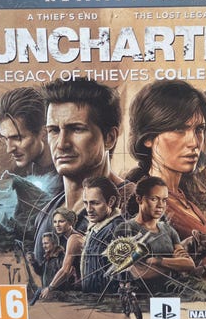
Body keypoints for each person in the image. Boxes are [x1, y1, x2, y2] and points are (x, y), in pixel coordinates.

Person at [127, 79, 206, 274]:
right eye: (179, 129)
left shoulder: (183, 198)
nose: (194, 143)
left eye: (199, 129)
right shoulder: (143, 204)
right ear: (148, 138)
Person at [33, 78, 134, 263]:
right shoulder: (46, 213)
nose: (61, 144)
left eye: (77, 129)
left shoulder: (135, 204)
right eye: (54, 130)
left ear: (109, 138)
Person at [113, 177, 194, 292]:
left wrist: (157, 260)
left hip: (169, 293)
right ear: (139, 199)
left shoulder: (168, 230)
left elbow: (189, 264)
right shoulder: (126, 229)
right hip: (141, 295)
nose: (161, 205)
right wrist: (174, 263)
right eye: (154, 199)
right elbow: (138, 272)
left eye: (164, 200)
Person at [0, 87, 58, 178]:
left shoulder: (67, 173)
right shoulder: (17, 175)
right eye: (5, 139)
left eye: (17, 138)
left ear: (43, 133)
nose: (9, 149)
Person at [79, 177, 125, 294]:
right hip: (92, 298)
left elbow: (124, 272)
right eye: (85, 203)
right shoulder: (97, 227)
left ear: (111, 201)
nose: (89, 209)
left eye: (95, 203)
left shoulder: (118, 228)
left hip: (108, 300)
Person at [38, 207, 84, 296]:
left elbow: (65, 270)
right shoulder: (69, 238)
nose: (57, 225)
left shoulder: (74, 239)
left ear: (70, 222)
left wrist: (50, 288)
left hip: (82, 285)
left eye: (61, 221)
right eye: (55, 222)